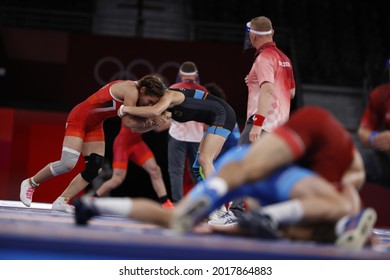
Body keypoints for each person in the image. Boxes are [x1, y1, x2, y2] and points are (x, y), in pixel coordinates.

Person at [74, 106, 376, 250]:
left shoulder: (308, 220)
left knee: (177, 218)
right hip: (276, 184)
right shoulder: (333, 190)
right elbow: (349, 204)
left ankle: (97, 207)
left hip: (263, 185)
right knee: (334, 204)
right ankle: (243, 201)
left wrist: (215, 231)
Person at [19, 75, 167, 213]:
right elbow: (128, 122)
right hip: (79, 118)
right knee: (67, 164)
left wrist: (153, 123)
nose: (149, 105)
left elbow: (135, 128)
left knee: (94, 167)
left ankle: (61, 201)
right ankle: (31, 182)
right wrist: (153, 118)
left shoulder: (137, 94)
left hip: (95, 125)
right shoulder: (131, 91)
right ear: (143, 90)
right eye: (150, 101)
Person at [226, 16, 296, 222]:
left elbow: (267, 91)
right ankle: (273, 215)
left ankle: (236, 214)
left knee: (239, 164)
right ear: (272, 33)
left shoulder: (264, 58)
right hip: (279, 126)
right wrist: (255, 81)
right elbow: (290, 93)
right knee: (266, 171)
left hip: (262, 121)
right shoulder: (284, 58)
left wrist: (257, 124)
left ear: (253, 35)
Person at [119, 85, 237, 182]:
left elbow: (154, 110)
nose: (147, 105)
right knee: (198, 168)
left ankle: (221, 205)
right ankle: (212, 203)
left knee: (204, 160)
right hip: (214, 120)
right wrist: (151, 121)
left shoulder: (169, 95)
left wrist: (125, 109)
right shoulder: (163, 110)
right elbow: (135, 129)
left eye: (148, 101)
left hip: (223, 114)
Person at [90, 123, 174, 208]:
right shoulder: (133, 110)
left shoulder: (150, 110)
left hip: (137, 143)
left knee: (155, 170)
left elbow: (158, 125)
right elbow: (156, 128)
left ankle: (165, 203)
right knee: (117, 179)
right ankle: (92, 199)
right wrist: (176, 121)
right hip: (122, 145)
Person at [167, 61, 207, 203]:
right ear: (195, 75)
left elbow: (167, 112)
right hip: (197, 137)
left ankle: (178, 205)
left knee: (176, 172)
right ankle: (201, 206)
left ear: (180, 75)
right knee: (197, 173)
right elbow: (208, 116)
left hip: (177, 135)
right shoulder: (203, 91)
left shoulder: (173, 89)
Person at [357, 58, 390, 187]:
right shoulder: (380, 94)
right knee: (354, 161)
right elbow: (363, 132)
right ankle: (351, 205)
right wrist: (375, 138)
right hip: (387, 159)